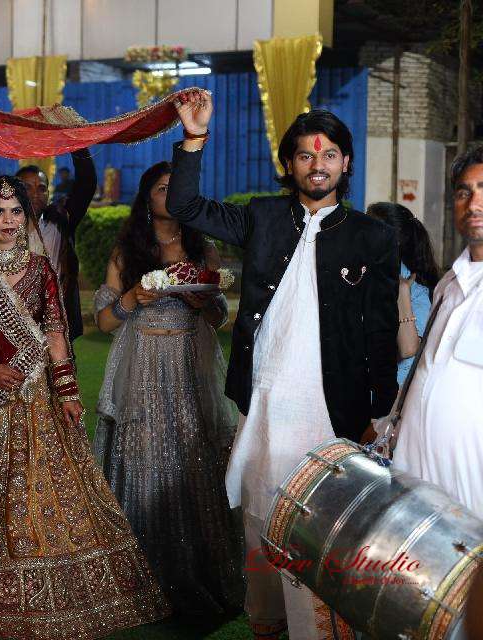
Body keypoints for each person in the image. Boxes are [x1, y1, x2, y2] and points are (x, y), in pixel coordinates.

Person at [167, 91, 398, 639]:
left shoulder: (372, 235)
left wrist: (381, 411)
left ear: (345, 162)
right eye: (305, 155)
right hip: (266, 403)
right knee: (262, 517)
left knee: (321, 529)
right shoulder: (263, 217)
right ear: (289, 164)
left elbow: (380, 330)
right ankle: (267, 624)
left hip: (332, 411)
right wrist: (194, 138)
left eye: (329, 155)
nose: (317, 165)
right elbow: (185, 206)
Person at [0, 175, 170, 639]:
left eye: (16, 212)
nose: (9, 221)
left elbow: (54, 332)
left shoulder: (40, 268)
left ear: (27, 217)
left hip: (35, 401)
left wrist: (67, 391)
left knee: (40, 498)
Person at [93, 160, 243, 615]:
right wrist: (132, 298)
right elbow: (104, 322)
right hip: (141, 364)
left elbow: (219, 317)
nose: (170, 195)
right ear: (146, 197)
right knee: (143, 454)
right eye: (162, 188)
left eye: (177, 188)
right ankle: (138, 576)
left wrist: (202, 302)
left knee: (192, 456)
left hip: (188, 367)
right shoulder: (128, 251)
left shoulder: (202, 247)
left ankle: (197, 570)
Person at [394, 146, 483, 517]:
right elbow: (425, 368)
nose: (474, 203)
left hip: (471, 495)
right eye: (464, 192)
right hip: (415, 481)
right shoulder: (448, 285)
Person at [16, 149, 97, 341]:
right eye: (27, 187)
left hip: (57, 324)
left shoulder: (60, 220)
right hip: (13, 324)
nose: (35, 194)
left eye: (41, 188)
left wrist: (77, 144)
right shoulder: (2, 228)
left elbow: (86, 184)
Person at [366, 202, 440, 384]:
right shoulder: (360, 275)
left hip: (392, 394)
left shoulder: (415, 291)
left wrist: (402, 292)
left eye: (368, 228)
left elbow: (408, 349)